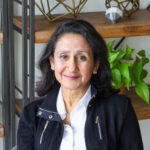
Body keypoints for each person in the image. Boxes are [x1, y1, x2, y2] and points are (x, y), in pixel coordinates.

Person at [17, 20, 143, 150]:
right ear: (52, 62)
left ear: (95, 65)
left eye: (82, 57)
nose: (72, 67)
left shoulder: (120, 109)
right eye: (64, 56)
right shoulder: (31, 114)